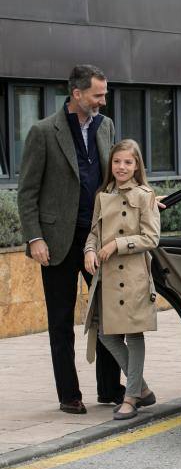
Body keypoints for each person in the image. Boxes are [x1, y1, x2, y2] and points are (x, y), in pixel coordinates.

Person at [17, 65, 124, 414]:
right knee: (61, 321)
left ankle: (109, 388)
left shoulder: (105, 126)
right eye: (98, 94)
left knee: (109, 314)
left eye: (104, 94)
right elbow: (27, 192)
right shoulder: (43, 132)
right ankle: (69, 394)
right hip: (58, 241)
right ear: (77, 94)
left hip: (99, 236)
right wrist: (35, 238)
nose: (103, 101)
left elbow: (118, 176)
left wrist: (145, 198)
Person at [84, 139, 160, 420]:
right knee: (106, 335)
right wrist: (90, 250)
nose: (121, 167)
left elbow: (151, 238)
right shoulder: (103, 194)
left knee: (133, 332)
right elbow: (94, 232)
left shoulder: (145, 195)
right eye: (117, 162)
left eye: (128, 162)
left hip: (134, 276)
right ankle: (141, 387)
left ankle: (131, 396)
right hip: (108, 277)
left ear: (137, 165)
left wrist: (117, 244)